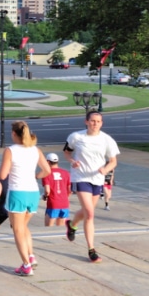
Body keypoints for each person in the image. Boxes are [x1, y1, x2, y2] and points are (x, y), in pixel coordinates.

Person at [64, 111, 120, 263]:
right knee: (90, 213)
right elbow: (67, 152)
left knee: (87, 211)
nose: (95, 124)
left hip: (97, 179)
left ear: (102, 123)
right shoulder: (76, 137)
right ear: (86, 122)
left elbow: (113, 161)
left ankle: (72, 224)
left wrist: (106, 169)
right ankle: (91, 250)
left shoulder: (107, 140)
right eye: (93, 121)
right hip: (81, 177)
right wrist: (72, 161)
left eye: (98, 121)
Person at [0, 121, 51, 276]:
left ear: (14, 134)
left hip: (18, 192)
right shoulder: (35, 150)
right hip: (33, 192)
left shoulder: (10, 150)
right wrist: (35, 176)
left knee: (18, 230)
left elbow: (3, 175)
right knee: (24, 227)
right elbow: (47, 170)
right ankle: (31, 256)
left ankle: (26, 265)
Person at [42, 153, 71, 227]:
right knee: (61, 228)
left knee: (48, 227)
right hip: (64, 203)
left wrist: (45, 196)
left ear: (48, 162)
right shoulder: (66, 173)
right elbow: (69, 189)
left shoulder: (46, 174)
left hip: (53, 203)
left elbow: (47, 191)